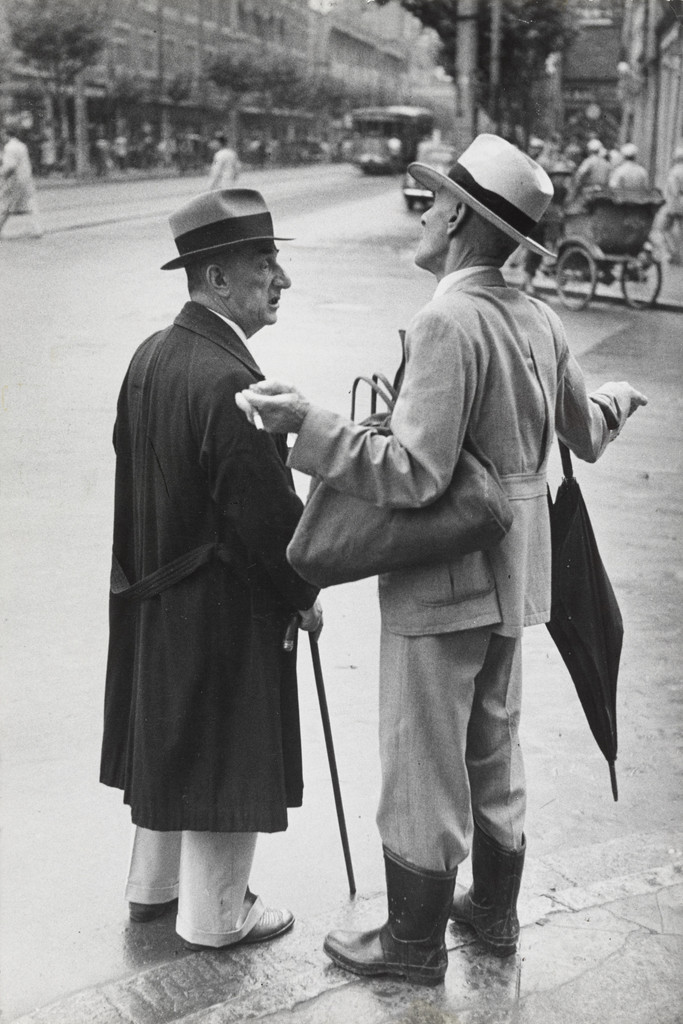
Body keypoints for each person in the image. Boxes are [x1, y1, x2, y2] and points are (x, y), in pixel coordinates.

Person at [236, 134, 647, 984]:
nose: (421, 212)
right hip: (516, 584)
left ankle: (412, 944)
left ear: (459, 216)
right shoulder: (535, 316)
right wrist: (614, 398)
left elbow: (414, 473)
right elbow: (583, 433)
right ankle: (492, 913)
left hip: (443, 584)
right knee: (493, 745)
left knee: (421, 761)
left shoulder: (446, 320)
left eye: (430, 201)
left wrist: (305, 425)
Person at [100, 188, 323, 950]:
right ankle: (217, 915)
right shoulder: (229, 377)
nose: (280, 279)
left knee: (170, 739)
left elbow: (134, 481)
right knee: (226, 750)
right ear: (217, 280)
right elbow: (265, 524)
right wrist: (303, 593)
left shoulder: (151, 355)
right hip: (220, 605)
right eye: (266, 263)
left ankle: (153, 889)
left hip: (154, 594)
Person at [0, 121, 43, 239]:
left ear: (6, 134)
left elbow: (10, 166)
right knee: (30, 205)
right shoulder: (21, 145)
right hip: (26, 178)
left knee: (5, 206)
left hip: (15, 181)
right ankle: (37, 229)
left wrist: (1, 174)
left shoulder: (9, 147)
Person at [568, 138, 610, 204]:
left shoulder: (589, 161)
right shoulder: (606, 163)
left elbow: (579, 174)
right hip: (601, 193)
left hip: (588, 192)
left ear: (589, 150)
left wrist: (575, 188)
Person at [661, 143, 683, 264]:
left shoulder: (674, 171)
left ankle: (674, 252)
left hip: (675, 203)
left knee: (664, 228)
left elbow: (673, 190)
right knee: (680, 229)